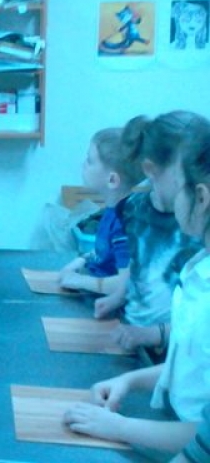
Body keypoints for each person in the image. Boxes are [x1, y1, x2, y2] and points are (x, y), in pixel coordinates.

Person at [63, 116, 210, 456]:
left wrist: (119, 427)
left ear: (201, 198)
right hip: (171, 424)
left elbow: (203, 437)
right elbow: (191, 368)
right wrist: (130, 380)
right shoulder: (198, 269)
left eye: (172, 191)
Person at [94, 111, 204, 356]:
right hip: (133, 338)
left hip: (179, 350)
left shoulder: (198, 224)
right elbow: (137, 266)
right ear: (150, 169)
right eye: (188, 173)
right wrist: (118, 297)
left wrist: (153, 334)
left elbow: (198, 322)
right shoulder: (132, 209)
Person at [58, 127, 145, 293]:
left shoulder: (124, 223)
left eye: (90, 161)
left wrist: (80, 281)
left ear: (112, 180)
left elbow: (125, 285)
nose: (84, 165)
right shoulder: (111, 211)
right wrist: (80, 261)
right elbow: (105, 252)